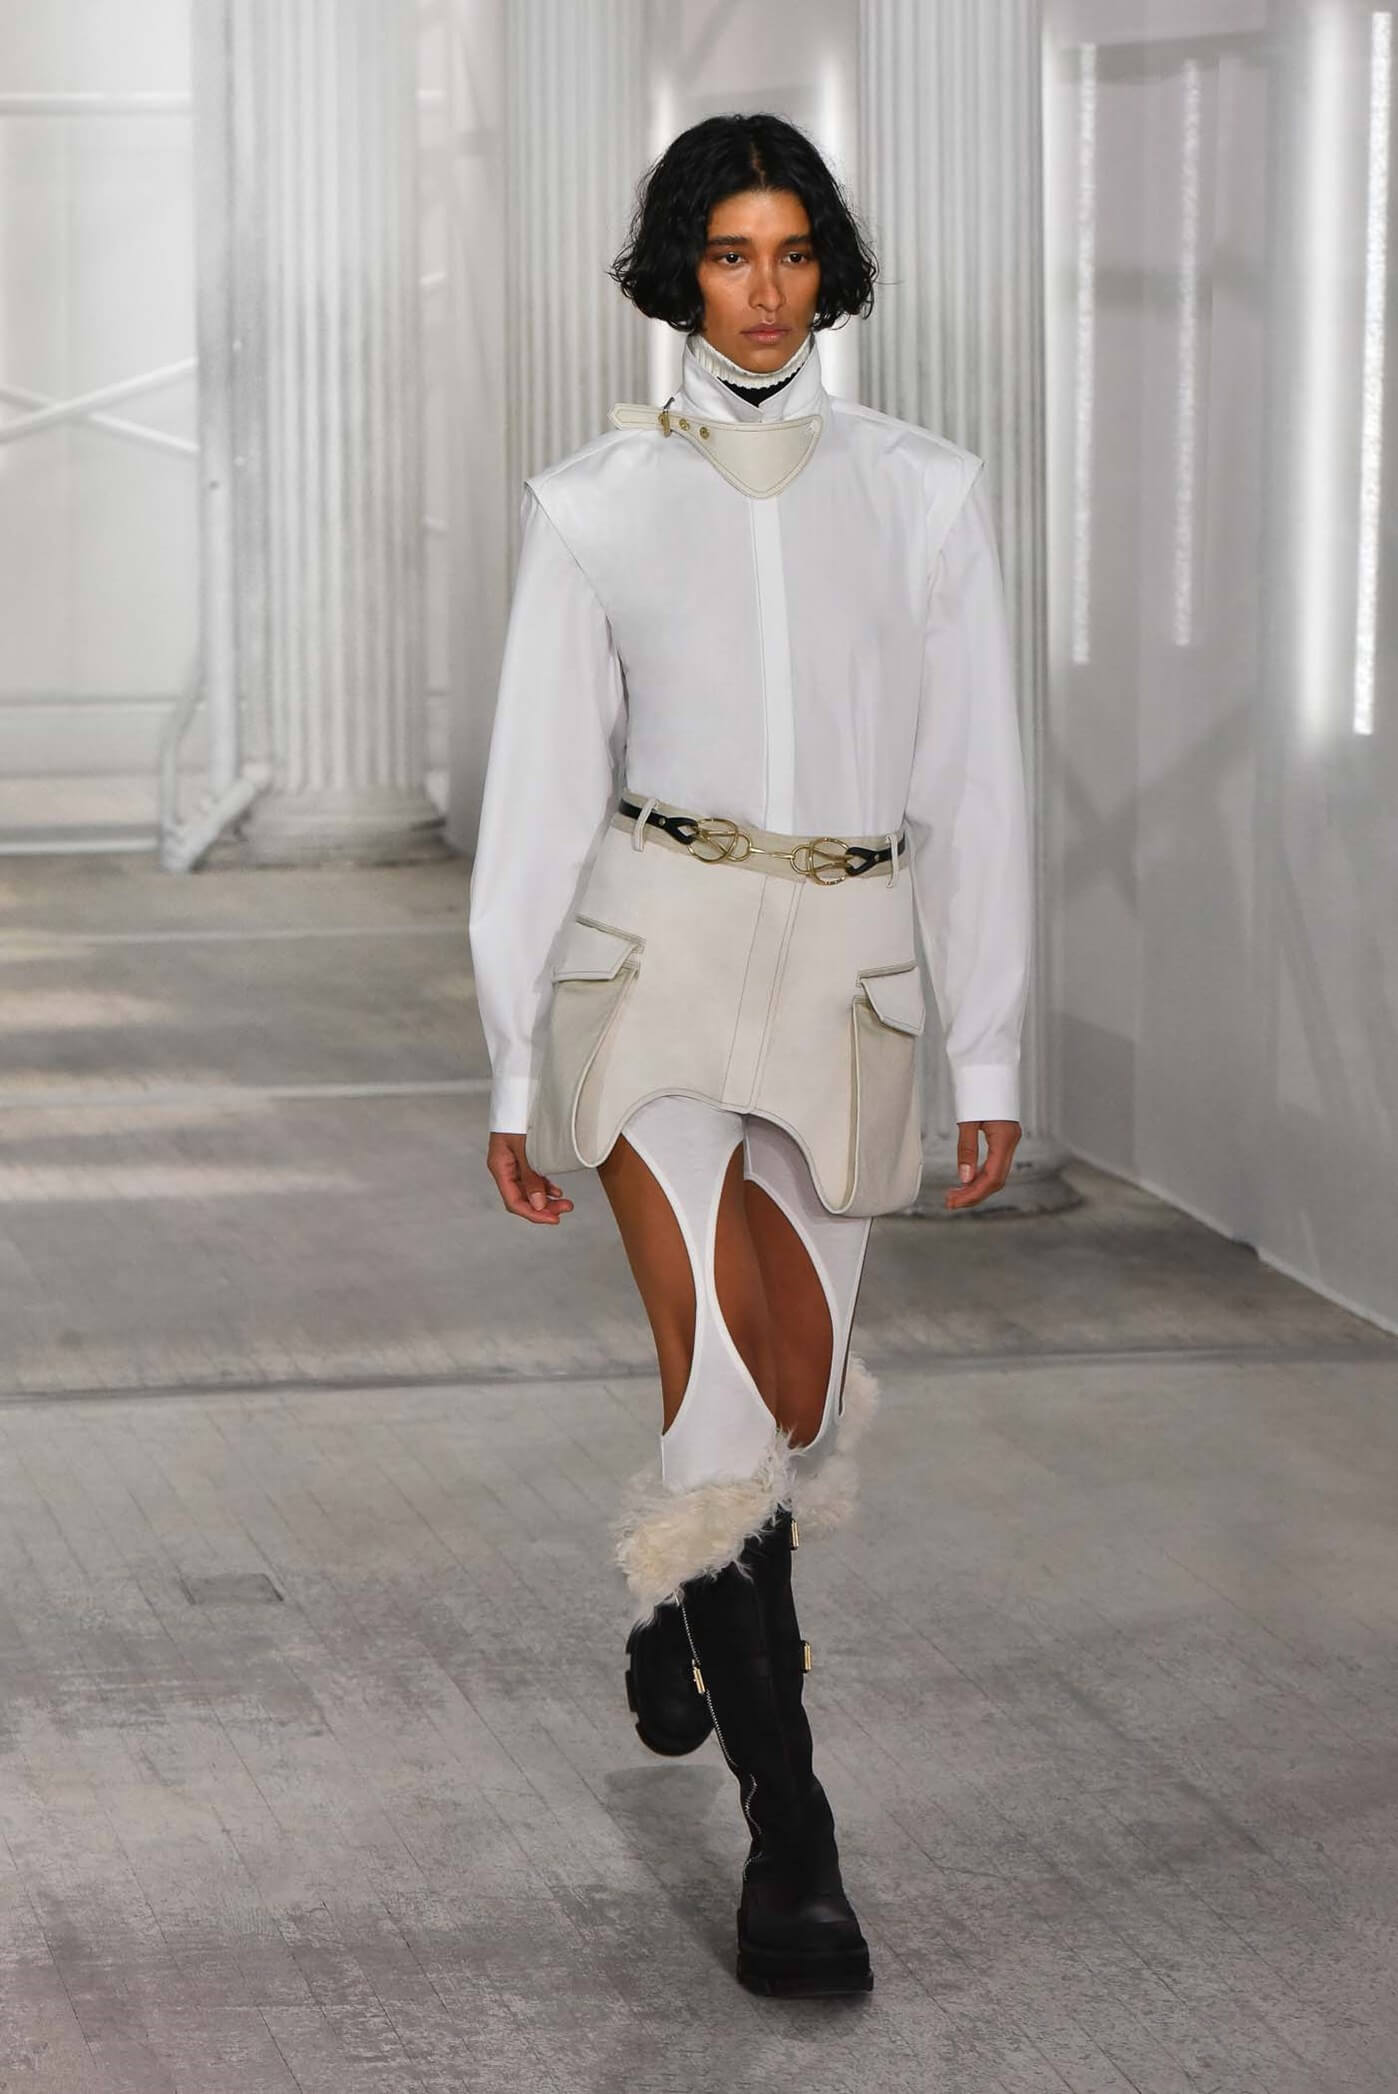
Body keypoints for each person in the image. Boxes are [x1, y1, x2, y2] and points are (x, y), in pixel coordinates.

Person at [467, 111, 1030, 1999]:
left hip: (847, 985)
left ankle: (682, 1601)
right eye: (729, 255)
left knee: (785, 1401)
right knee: (720, 1401)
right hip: (656, 968)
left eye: (792, 253)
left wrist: (986, 1048)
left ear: (828, 269)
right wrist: (507, 1063)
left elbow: (975, 787)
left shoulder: (924, 492)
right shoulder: (596, 500)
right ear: (679, 273)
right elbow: (538, 800)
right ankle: (795, 1848)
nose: (764, 292)